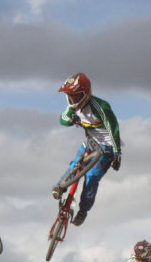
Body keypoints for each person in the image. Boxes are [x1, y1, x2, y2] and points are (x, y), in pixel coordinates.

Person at [52, 72, 122, 226]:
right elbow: (62, 119)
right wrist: (71, 119)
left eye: (76, 96)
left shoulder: (100, 107)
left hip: (107, 146)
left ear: (85, 94)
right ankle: (60, 187)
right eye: (70, 96)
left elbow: (113, 128)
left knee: (92, 176)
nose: (73, 99)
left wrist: (117, 153)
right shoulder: (73, 107)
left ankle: (83, 209)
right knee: (75, 165)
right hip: (90, 142)